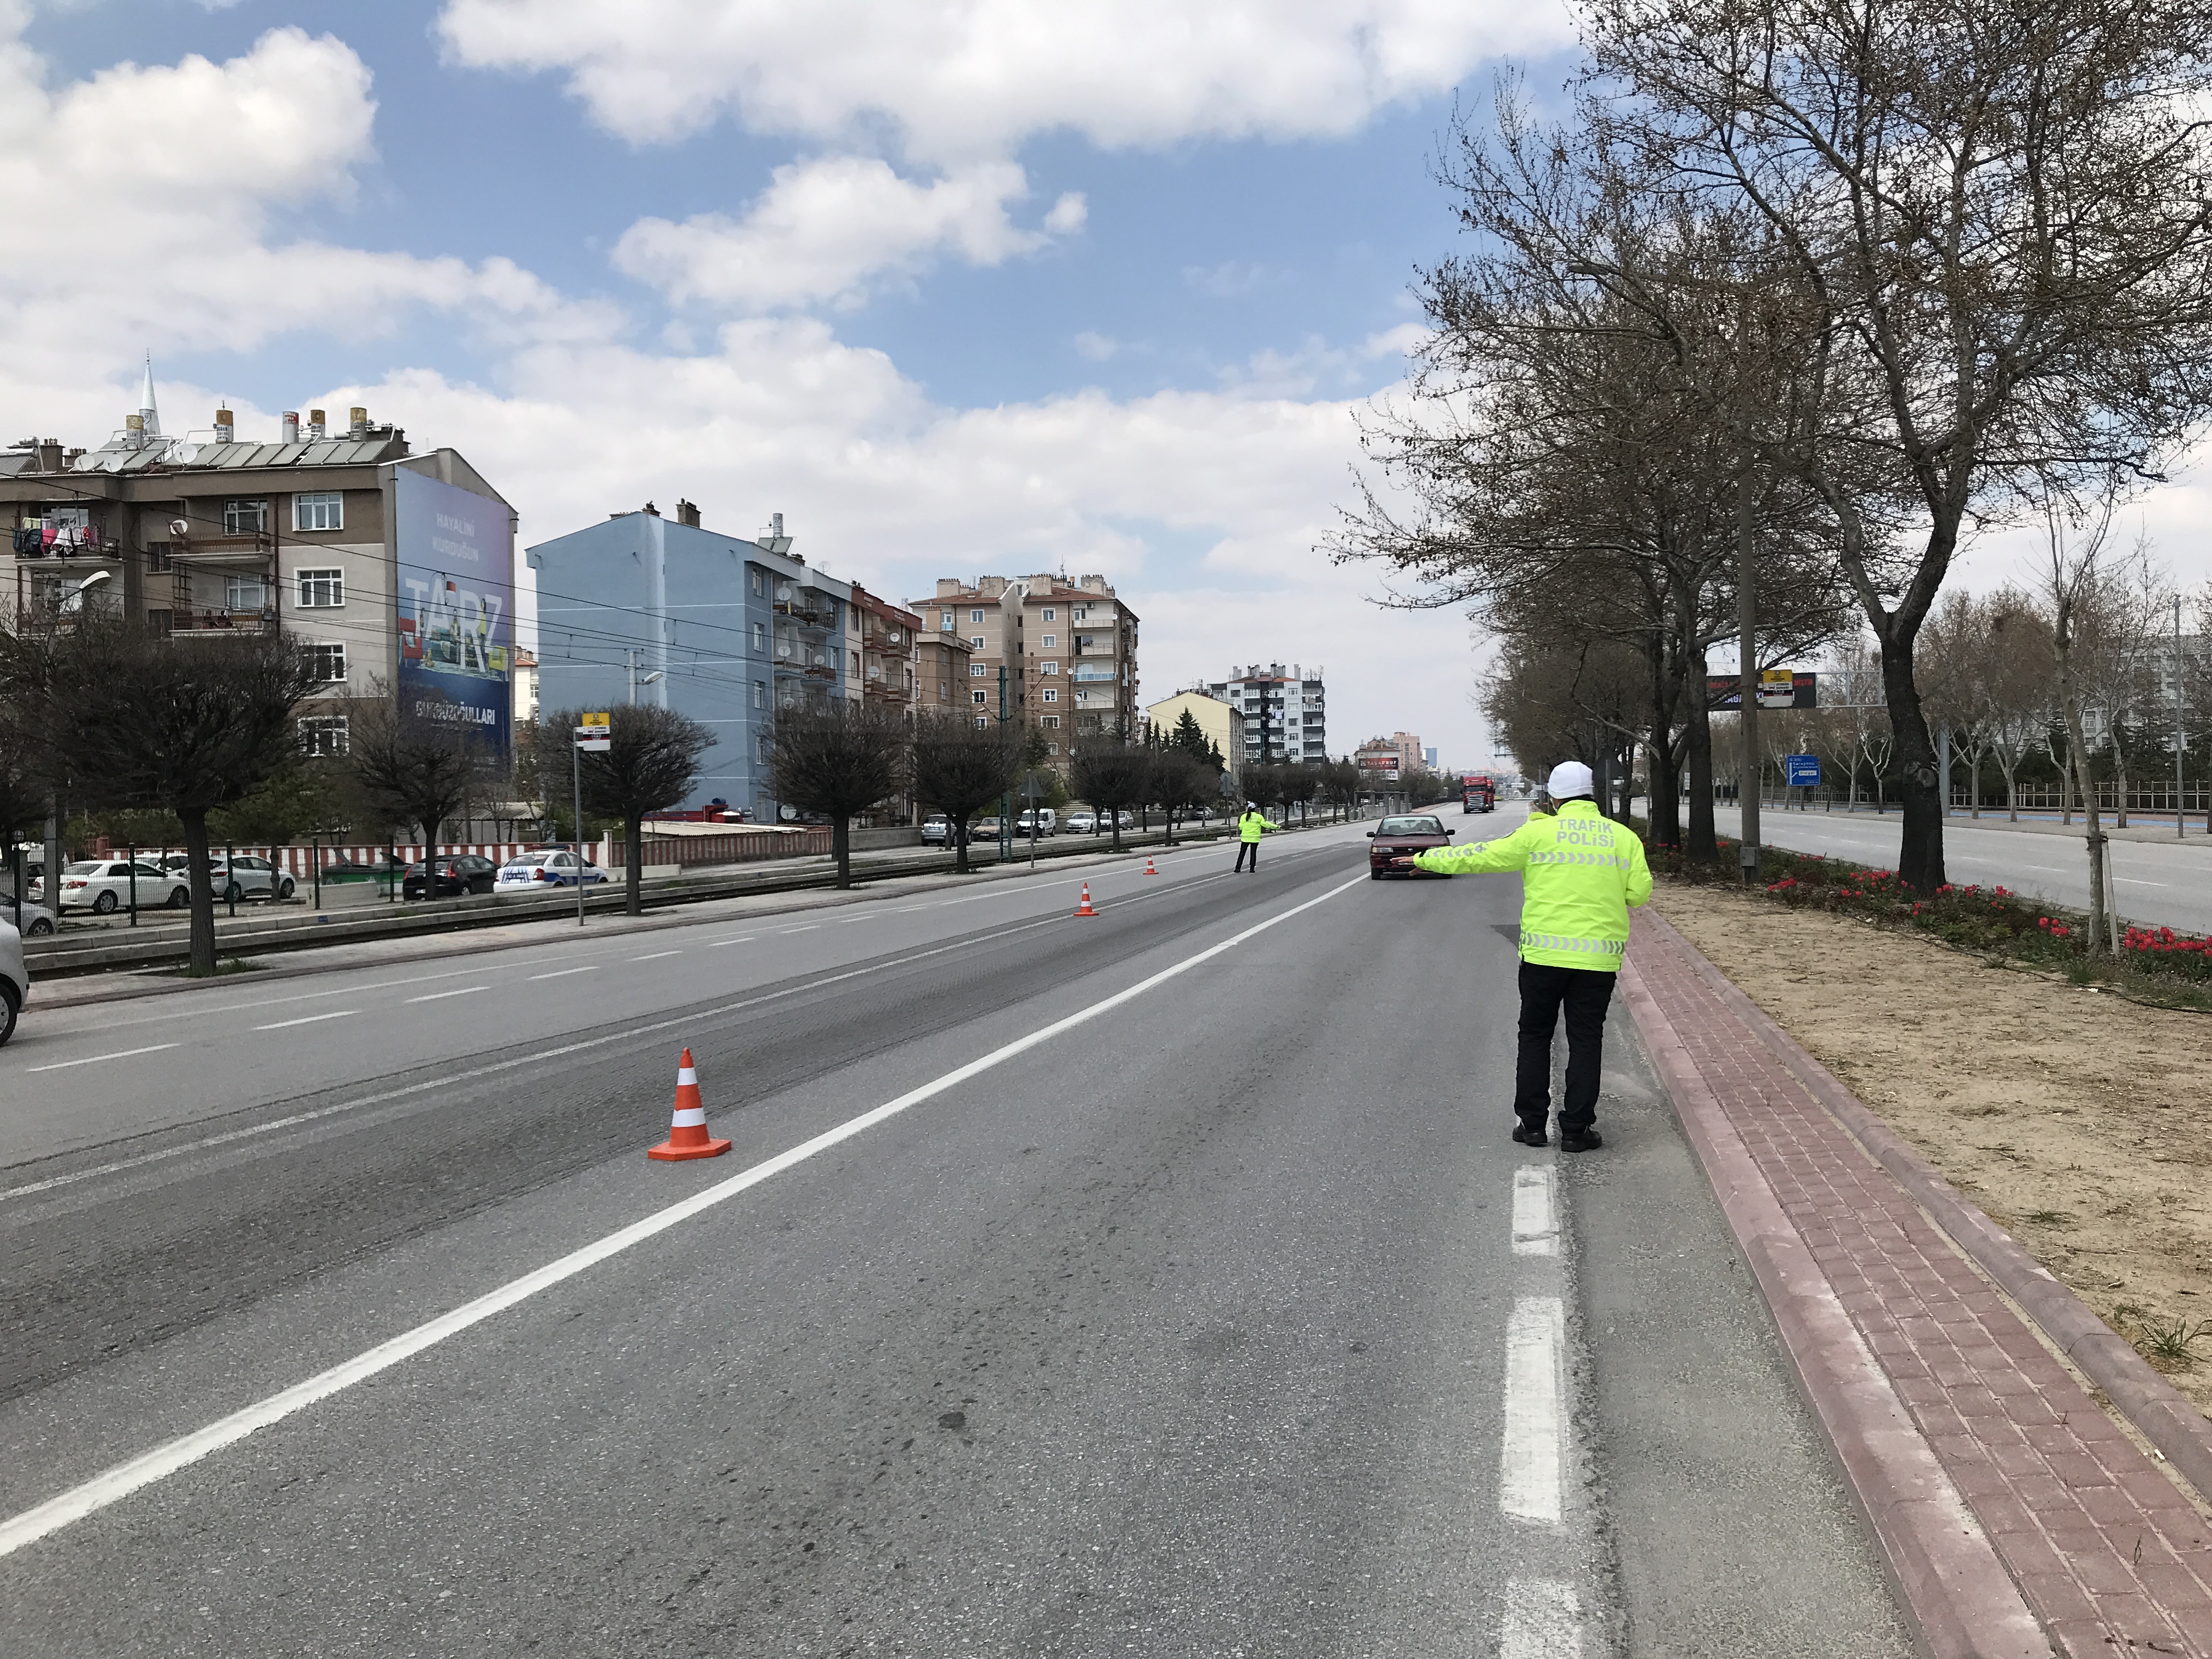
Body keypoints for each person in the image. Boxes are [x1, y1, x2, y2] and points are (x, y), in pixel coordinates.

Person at [1395, 760, 1651, 1152]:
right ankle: (1576, 1131)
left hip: (1543, 958)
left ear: (1553, 797)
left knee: (1535, 1035)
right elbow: (1638, 894)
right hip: (1597, 961)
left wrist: (1423, 859)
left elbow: (1481, 856)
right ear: (1592, 796)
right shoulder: (1623, 839)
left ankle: (1532, 1125)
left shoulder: (1537, 833)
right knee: (1586, 1041)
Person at [1233, 802, 1272, 872]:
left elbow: (1241, 827)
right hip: (1255, 839)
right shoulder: (1259, 817)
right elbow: (1266, 825)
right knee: (1253, 853)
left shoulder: (1244, 816)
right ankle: (1252, 868)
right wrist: (1276, 827)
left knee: (1242, 853)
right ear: (1255, 809)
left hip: (1245, 838)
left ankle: (1238, 868)